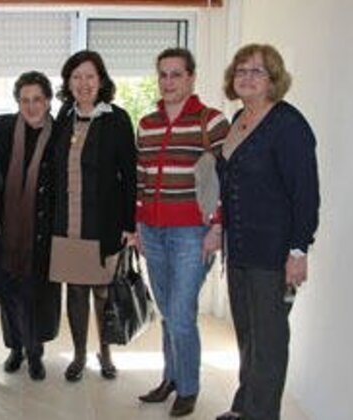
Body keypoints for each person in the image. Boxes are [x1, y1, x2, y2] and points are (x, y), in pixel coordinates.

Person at [215, 44, 320, 420]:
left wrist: (298, 251)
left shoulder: (288, 125)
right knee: (248, 336)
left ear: (273, 79)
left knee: (269, 343)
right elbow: (229, 184)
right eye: (241, 70)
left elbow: (305, 194)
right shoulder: (238, 119)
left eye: (257, 71)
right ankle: (244, 406)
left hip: (273, 254)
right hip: (239, 249)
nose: (246, 77)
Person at [135, 48, 230, 417]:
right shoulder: (147, 124)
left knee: (179, 313)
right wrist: (137, 225)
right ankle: (170, 378)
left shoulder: (212, 120)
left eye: (176, 74)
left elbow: (225, 179)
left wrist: (217, 226)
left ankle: (188, 387)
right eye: (163, 74)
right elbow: (141, 178)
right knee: (167, 312)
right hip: (152, 231)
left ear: (191, 77)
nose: (169, 81)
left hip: (192, 232)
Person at [51, 50, 137, 383]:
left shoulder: (116, 119)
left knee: (102, 292)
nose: (83, 83)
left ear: (101, 81)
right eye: (76, 77)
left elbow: (129, 175)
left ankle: (106, 352)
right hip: (68, 222)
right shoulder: (64, 116)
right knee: (74, 292)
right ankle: (78, 354)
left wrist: (129, 224)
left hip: (103, 222)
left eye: (90, 76)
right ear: (68, 82)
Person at [0, 71, 61, 381]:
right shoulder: (3, 129)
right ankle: (15, 348)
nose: (31, 106)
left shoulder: (60, 134)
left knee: (36, 293)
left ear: (48, 101)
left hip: (43, 228)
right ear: (17, 102)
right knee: (10, 291)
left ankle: (35, 352)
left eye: (37, 99)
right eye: (24, 100)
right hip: (7, 227)